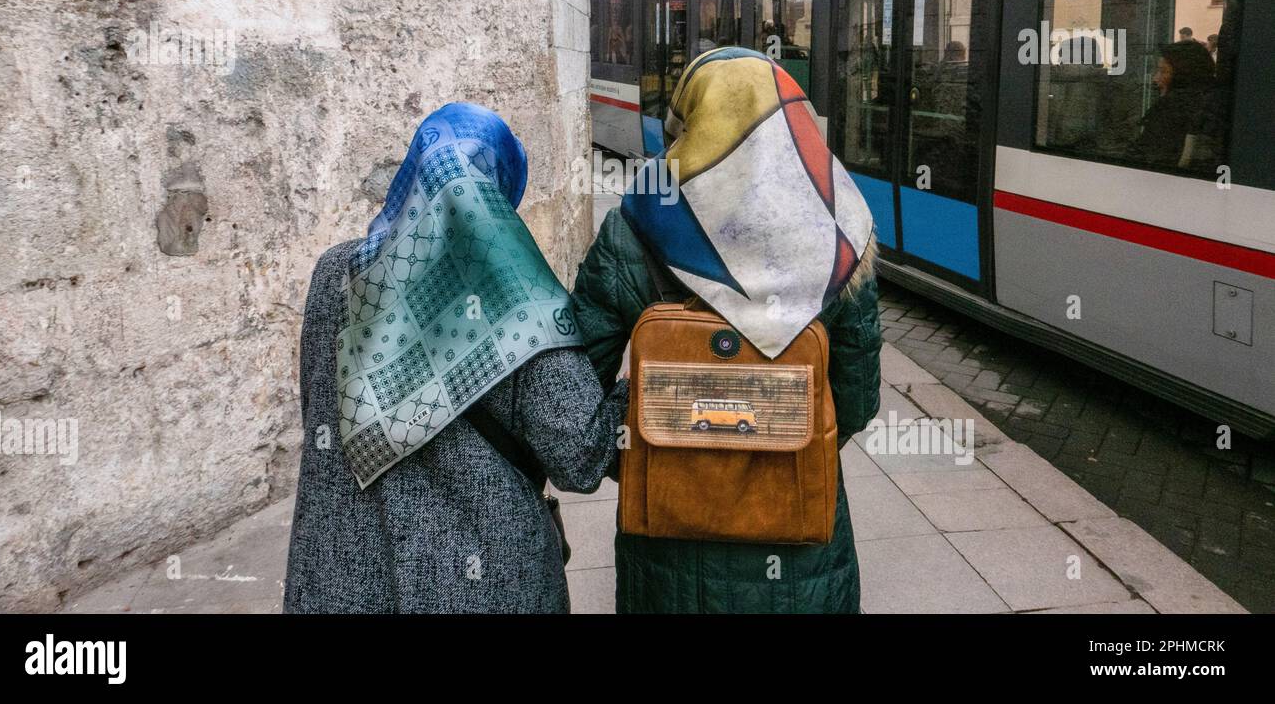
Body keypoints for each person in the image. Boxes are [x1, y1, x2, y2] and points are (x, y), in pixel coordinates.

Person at [571, 47, 883, 614]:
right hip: (798, 534)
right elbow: (856, 404)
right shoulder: (840, 232)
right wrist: (771, 431)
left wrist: (663, 419)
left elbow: (574, 395)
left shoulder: (635, 226)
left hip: (667, 541)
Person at [284, 102, 626, 613]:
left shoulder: (333, 275)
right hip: (482, 588)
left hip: (339, 582)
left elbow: (319, 407)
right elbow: (582, 457)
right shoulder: (520, 301)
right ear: (497, 191)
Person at [1127, 40, 1215, 171]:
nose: (1156, 79)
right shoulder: (1209, 103)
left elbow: (1146, 158)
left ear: (1182, 76)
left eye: (1163, 71)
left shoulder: (1172, 108)